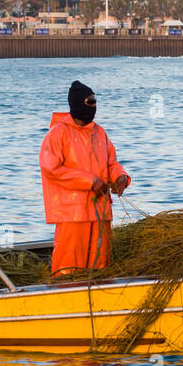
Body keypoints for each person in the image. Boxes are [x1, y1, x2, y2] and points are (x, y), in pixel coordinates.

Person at [39, 80, 131, 273]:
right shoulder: (57, 133)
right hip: (72, 214)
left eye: (95, 101)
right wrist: (90, 181)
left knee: (101, 264)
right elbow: (51, 169)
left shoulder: (99, 132)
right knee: (68, 268)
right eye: (90, 102)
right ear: (78, 103)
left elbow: (111, 163)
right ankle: (63, 295)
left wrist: (120, 177)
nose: (94, 106)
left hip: (100, 211)